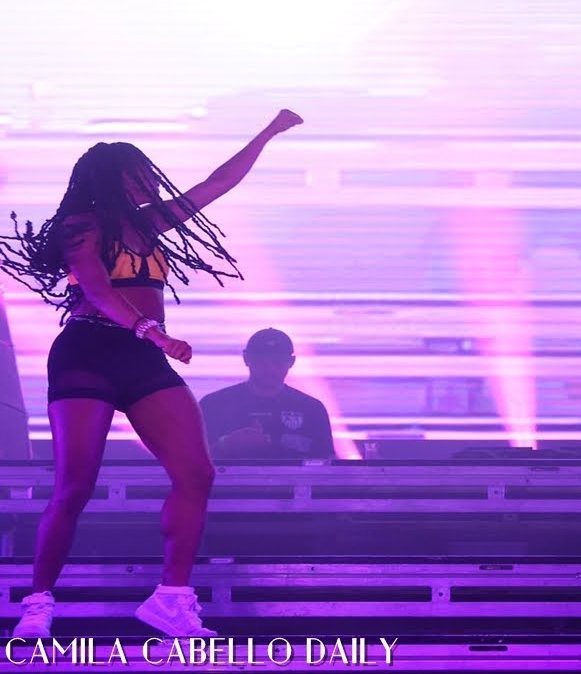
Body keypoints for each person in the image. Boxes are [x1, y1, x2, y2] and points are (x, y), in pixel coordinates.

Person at [0, 109, 303, 638]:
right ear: (113, 179)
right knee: (74, 485)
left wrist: (269, 132)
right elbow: (95, 289)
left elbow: (217, 183)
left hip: (142, 356)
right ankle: (39, 601)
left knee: (196, 473)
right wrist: (154, 333)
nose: (148, 181)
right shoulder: (82, 225)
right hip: (89, 352)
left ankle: (171, 599)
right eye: (137, 174)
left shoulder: (149, 223)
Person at [200, 328, 334, 461]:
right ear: (246, 359)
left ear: (291, 362)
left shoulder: (311, 409)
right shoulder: (214, 405)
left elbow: (328, 465)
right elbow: (188, 458)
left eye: (277, 362)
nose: (269, 368)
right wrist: (225, 445)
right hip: (229, 483)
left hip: (293, 483)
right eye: (261, 361)